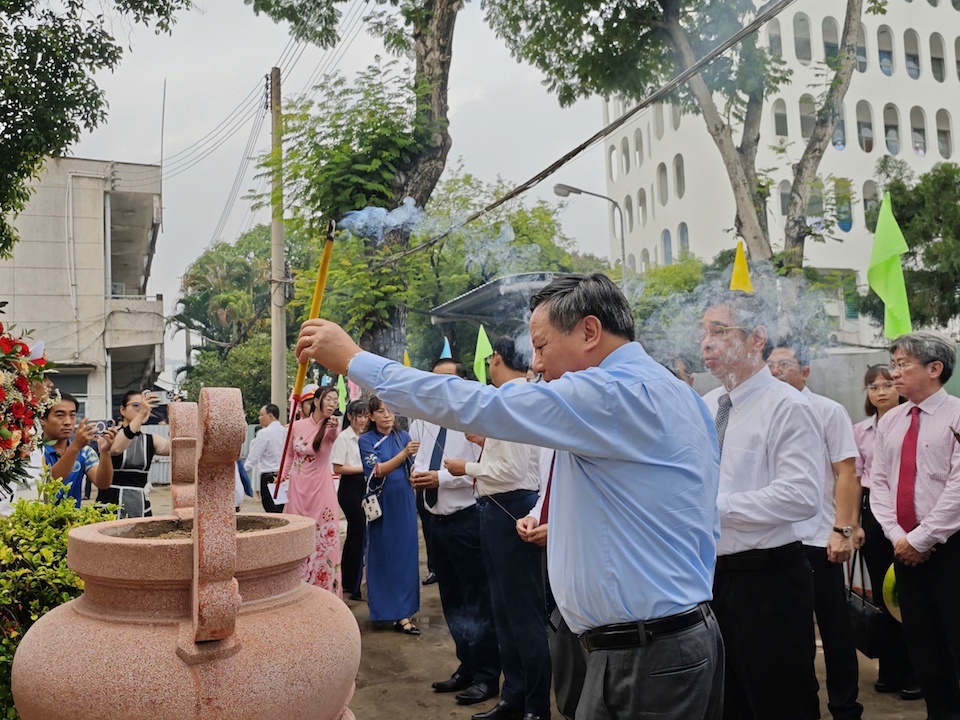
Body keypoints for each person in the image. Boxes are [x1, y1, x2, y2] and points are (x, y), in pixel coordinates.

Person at [295, 272, 724, 720]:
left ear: (589, 331)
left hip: (645, 654)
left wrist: (356, 361)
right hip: (661, 640)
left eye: (541, 346)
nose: (535, 364)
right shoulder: (675, 393)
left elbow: (482, 405)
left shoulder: (613, 391)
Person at [700, 291, 823, 720]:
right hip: (711, 576)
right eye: (704, 332)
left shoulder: (787, 405)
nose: (707, 343)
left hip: (768, 580)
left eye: (719, 331)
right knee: (726, 700)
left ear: (757, 338)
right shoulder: (708, 404)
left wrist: (712, 509)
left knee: (777, 700)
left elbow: (802, 495)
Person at [442, 337, 550, 720]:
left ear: (498, 359)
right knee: (503, 611)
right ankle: (514, 696)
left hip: (513, 509)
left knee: (522, 614)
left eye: (489, 360)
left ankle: (535, 705)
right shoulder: (513, 398)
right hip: (498, 508)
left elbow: (514, 472)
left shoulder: (514, 399)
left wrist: (466, 467)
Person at [768, 339, 863, 720]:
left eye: (784, 365)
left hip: (818, 537)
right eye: (770, 365)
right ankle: (802, 705)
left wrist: (843, 529)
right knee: (791, 636)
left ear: (805, 371)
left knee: (834, 628)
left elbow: (846, 472)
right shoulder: (765, 411)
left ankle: (845, 707)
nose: (775, 372)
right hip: (777, 540)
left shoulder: (827, 410)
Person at [869, 331, 960, 720]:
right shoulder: (892, 420)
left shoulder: (957, 415)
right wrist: (899, 537)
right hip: (904, 550)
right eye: (894, 364)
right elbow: (880, 482)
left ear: (935, 368)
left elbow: (959, 486)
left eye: (903, 364)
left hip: (951, 549)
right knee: (923, 646)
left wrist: (924, 537)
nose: (894, 374)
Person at [410, 358, 500, 706]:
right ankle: (467, 664)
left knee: (477, 600)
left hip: (467, 518)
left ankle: (488, 675)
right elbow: (420, 460)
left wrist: (441, 478)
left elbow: (488, 469)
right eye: (433, 381)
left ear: (464, 383)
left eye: (447, 381)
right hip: (436, 520)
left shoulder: (475, 419)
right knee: (452, 599)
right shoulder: (424, 418)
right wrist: (418, 475)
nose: (439, 388)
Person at [851, 364, 919, 700]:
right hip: (873, 517)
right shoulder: (860, 431)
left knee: (911, 595)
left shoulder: (913, 421)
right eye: (872, 385)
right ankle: (890, 668)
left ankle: (916, 670)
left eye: (886, 384)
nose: (880, 391)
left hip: (910, 512)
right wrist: (855, 524)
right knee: (882, 595)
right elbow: (854, 480)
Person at [517, 447, 588, 720]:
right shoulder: (549, 446)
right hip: (554, 552)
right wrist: (534, 516)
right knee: (559, 631)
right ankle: (570, 708)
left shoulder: (591, 442)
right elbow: (546, 494)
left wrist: (559, 529)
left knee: (586, 643)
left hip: (583, 554)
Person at [359, 396, 421, 636]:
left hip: (404, 500)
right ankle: (383, 609)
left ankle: (404, 614)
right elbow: (377, 470)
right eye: (381, 411)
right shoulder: (366, 440)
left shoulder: (403, 436)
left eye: (390, 410)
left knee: (405, 555)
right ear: (371, 416)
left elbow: (412, 467)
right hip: (382, 503)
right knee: (382, 554)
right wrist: (405, 453)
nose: (387, 415)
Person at [281, 385, 342, 596]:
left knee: (323, 537)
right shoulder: (296, 427)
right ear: (316, 401)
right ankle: (295, 588)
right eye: (329, 399)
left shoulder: (333, 426)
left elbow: (332, 436)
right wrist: (282, 477)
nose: (333, 403)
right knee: (296, 533)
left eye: (336, 400)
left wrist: (333, 426)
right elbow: (289, 455)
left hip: (321, 488)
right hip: (297, 488)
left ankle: (325, 593)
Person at [100, 390, 171, 517]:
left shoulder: (150, 439)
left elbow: (174, 448)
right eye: (136, 405)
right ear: (122, 410)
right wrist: (141, 414)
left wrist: (175, 416)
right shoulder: (110, 434)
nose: (142, 409)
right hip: (110, 504)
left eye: (146, 405)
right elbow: (116, 449)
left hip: (140, 504)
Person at [39, 392, 116, 507]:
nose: (68, 422)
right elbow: (49, 484)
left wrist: (105, 452)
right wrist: (75, 446)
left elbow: (103, 483)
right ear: (42, 419)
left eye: (72, 415)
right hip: (40, 521)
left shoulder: (85, 452)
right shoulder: (35, 452)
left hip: (75, 523)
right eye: (60, 415)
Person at [331, 399, 370, 601]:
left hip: (365, 486)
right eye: (358, 415)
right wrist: (364, 469)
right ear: (349, 416)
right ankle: (349, 579)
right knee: (357, 531)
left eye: (365, 415)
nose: (362, 420)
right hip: (350, 487)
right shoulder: (344, 438)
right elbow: (338, 467)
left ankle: (353, 577)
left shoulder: (366, 437)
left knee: (360, 533)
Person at [245, 403, 286, 513]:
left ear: (270, 416)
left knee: (271, 510)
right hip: (284, 476)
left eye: (262, 415)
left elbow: (254, 456)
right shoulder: (285, 432)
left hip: (269, 476)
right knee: (281, 509)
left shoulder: (264, 433)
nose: (259, 418)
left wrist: (242, 472)